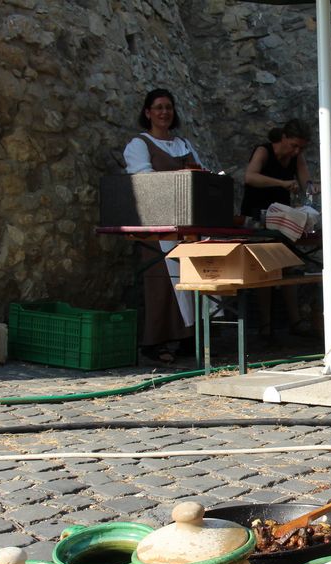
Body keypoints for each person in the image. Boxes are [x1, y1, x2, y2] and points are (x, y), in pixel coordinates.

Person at [123, 88, 204, 365]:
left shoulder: (183, 144)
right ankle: (155, 342)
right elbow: (144, 180)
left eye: (168, 107)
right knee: (162, 283)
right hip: (157, 223)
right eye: (158, 107)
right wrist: (179, 177)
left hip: (187, 222)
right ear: (148, 112)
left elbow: (199, 174)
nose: (164, 112)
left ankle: (190, 338)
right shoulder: (139, 145)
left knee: (192, 279)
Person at [241, 119, 316, 341]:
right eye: (293, 145)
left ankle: (295, 321)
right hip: (258, 216)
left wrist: (319, 189)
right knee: (266, 269)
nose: (296, 151)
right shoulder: (264, 151)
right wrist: (281, 183)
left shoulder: (297, 158)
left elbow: (308, 184)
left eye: (301, 147)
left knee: (288, 265)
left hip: (282, 220)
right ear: (283, 138)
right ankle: (265, 326)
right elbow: (250, 176)